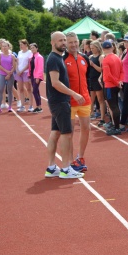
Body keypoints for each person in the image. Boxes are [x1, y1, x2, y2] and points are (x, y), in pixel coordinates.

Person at [44, 31, 85, 179]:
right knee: (66, 134)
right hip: (60, 101)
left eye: (64, 40)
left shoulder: (56, 58)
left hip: (57, 101)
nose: (63, 43)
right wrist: (73, 93)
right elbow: (55, 83)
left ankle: (51, 167)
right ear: (52, 43)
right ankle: (66, 168)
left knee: (55, 133)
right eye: (60, 40)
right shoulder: (54, 59)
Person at [64, 32, 91, 173]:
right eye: (70, 42)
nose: (73, 45)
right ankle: (69, 161)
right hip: (70, 101)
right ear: (66, 44)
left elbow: (86, 78)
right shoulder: (63, 59)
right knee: (70, 132)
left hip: (85, 100)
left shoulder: (84, 58)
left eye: (75, 42)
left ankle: (80, 157)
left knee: (86, 128)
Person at [101, 40, 124, 136]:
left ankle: (117, 127)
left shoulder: (105, 60)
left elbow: (108, 75)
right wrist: (120, 81)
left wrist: (116, 82)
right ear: (112, 47)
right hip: (116, 84)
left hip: (110, 86)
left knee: (113, 107)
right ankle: (117, 126)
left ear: (103, 49)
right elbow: (122, 71)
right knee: (116, 106)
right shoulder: (117, 57)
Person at [0, 40, 17, 113]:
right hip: (2, 74)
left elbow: (14, 66)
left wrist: (9, 74)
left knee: (9, 90)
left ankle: (10, 107)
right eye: (3, 46)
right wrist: (6, 72)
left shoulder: (12, 56)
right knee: (0, 90)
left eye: (5, 46)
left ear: (8, 47)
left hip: (10, 75)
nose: (4, 47)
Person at [88, 40, 106, 126]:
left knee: (100, 99)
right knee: (91, 100)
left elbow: (102, 70)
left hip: (98, 80)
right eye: (91, 48)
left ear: (97, 48)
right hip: (91, 79)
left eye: (93, 48)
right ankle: (90, 114)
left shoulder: (101, 57)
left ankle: (102, 118)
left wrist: (93, 65)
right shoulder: (91, 56)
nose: (91, 49)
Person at [15, 39, 32, 112]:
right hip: (19, 73)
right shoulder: (19, 52)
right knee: (21, 89)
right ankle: (22, 106)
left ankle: (31, 106)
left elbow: (29, 64)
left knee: (28, 89)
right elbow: (17, 62)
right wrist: (17, 70)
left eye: (21, 44)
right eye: (20, 45)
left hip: (26, 72)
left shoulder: (29, 52)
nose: (20, 46)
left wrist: (22, 70)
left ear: (25, 45)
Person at [28, 43, 44, 113]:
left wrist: (37, 77)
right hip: (32, 76)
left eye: (33, 48)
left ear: (37, 48)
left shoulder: (39, 57)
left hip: (37, 76)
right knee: (36, 91)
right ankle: (39, 107)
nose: (32, 49)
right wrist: (29, 75)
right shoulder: (31, 57)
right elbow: (30, 67)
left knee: (34, 91)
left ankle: (39, 107)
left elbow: (40, 68)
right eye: (31, 48)